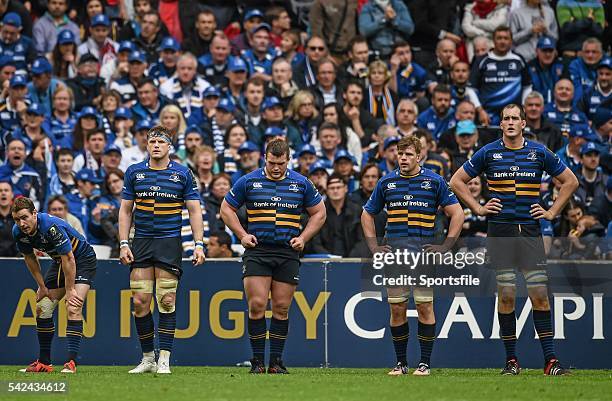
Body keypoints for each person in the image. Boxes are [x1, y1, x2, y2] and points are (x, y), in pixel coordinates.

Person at [450, 103, 579, 375]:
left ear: (523, 124)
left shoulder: (538, 151)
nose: (510, 122)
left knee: (539, 295)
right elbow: (456, 181)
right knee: (506, 296)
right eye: (505, 118)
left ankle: (551, 361)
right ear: (501, 124)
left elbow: (570, 181)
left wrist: (553, 211)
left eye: (514, 118)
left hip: (530, 232)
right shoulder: (489, 152)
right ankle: (511, 361)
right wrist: (478, 208)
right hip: (500, 232)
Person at [220, 139, 326, 374]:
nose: (276, 167)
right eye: (271, 163)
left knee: (281, 307)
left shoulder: (301, 183)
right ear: (264, 159)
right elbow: (226, 209)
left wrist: (304, 237)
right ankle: (257, 361)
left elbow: (319, 212)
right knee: (257, 305)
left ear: (288, 160)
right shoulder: (249, 181)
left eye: (280, 163)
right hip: (258, 250)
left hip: (287, 251)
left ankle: (276, 362)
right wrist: (242, 235)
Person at [362, 135, 464, 376]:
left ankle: (425, 363)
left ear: (420, 156)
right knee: (397, 310)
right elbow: (367, 214)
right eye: (400, 154)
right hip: (395, 256)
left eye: (408, 154)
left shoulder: (434, 181)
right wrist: (374, 246)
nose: (403, 158)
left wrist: (446, 246)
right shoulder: (386, 182)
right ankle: (401, 364)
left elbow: (457, 213)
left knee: (424, 307)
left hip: (423, 255)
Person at [119, 125, 205, 374]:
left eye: (161, 142)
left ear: (170, 147)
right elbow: (125, 211)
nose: (156, 145)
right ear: (147, 145)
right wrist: (124, 242)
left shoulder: (182, 174)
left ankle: (164, 359)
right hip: (142, 242)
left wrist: (199, 244)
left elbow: (194, 210)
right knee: (140, 302)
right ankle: (148, 359)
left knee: (167, 300)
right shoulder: (134, 172)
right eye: (152, 141)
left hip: (169, 242)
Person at [12, 196, 97, 373]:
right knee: (43, 307)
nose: (21, 223)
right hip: (61, 261)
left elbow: (69, 258)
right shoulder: (18, 232)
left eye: (24, 217)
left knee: (73, 306)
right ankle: (44, 363)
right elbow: (30, 258)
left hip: (82, 259)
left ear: (34, 214)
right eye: (17, 219)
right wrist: (42, 286)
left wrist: (70, 289)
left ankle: (71, 363)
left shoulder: (50, 227)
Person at [470, 26, 532, 125]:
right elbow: (470, 89)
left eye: (506, 38)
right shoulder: (481, 61)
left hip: (513, 117)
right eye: (499, 38)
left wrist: (523, 108)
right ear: (493, 41)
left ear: (511, 41)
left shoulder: (519, 60)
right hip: (487, 117)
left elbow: (527, 86)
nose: (502, 41)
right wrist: (480, 110)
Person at [307, 174, 365, 257]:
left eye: (338, 187)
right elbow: (315, 241)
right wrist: (328, 258)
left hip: (352, 260)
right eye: (332, 188)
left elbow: (362, 240)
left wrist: (350, 260)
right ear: (327, 191)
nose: (335, 191)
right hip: (326, 261)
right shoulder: (319, 211)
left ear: (346, 188)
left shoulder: (357, 211)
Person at [527, 36, 564, 104]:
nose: (548, 54)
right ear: (537, 51)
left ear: (555, 52)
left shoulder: (562, 66)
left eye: (550, 51)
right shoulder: (528, 68)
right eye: (544, 50)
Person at [0, 180, 17, 256]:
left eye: (6, 190)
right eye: (0, 191)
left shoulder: (20, 218)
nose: (3, 193)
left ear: (12, 194)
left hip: (17, 263)